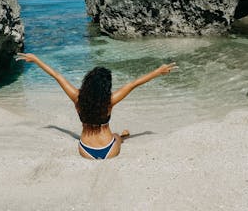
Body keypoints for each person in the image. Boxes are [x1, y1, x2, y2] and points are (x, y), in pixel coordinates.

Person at [15, 53, 177, 160]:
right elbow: (134, 84)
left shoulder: (77, 97)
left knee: (114, 136)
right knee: (118, 137)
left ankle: (121, 136)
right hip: (110, 150)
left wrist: (36, 60)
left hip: (85, 150)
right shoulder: (110, 100)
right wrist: (158, 72)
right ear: (105, 87)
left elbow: (57, 76)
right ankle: (123, 136)